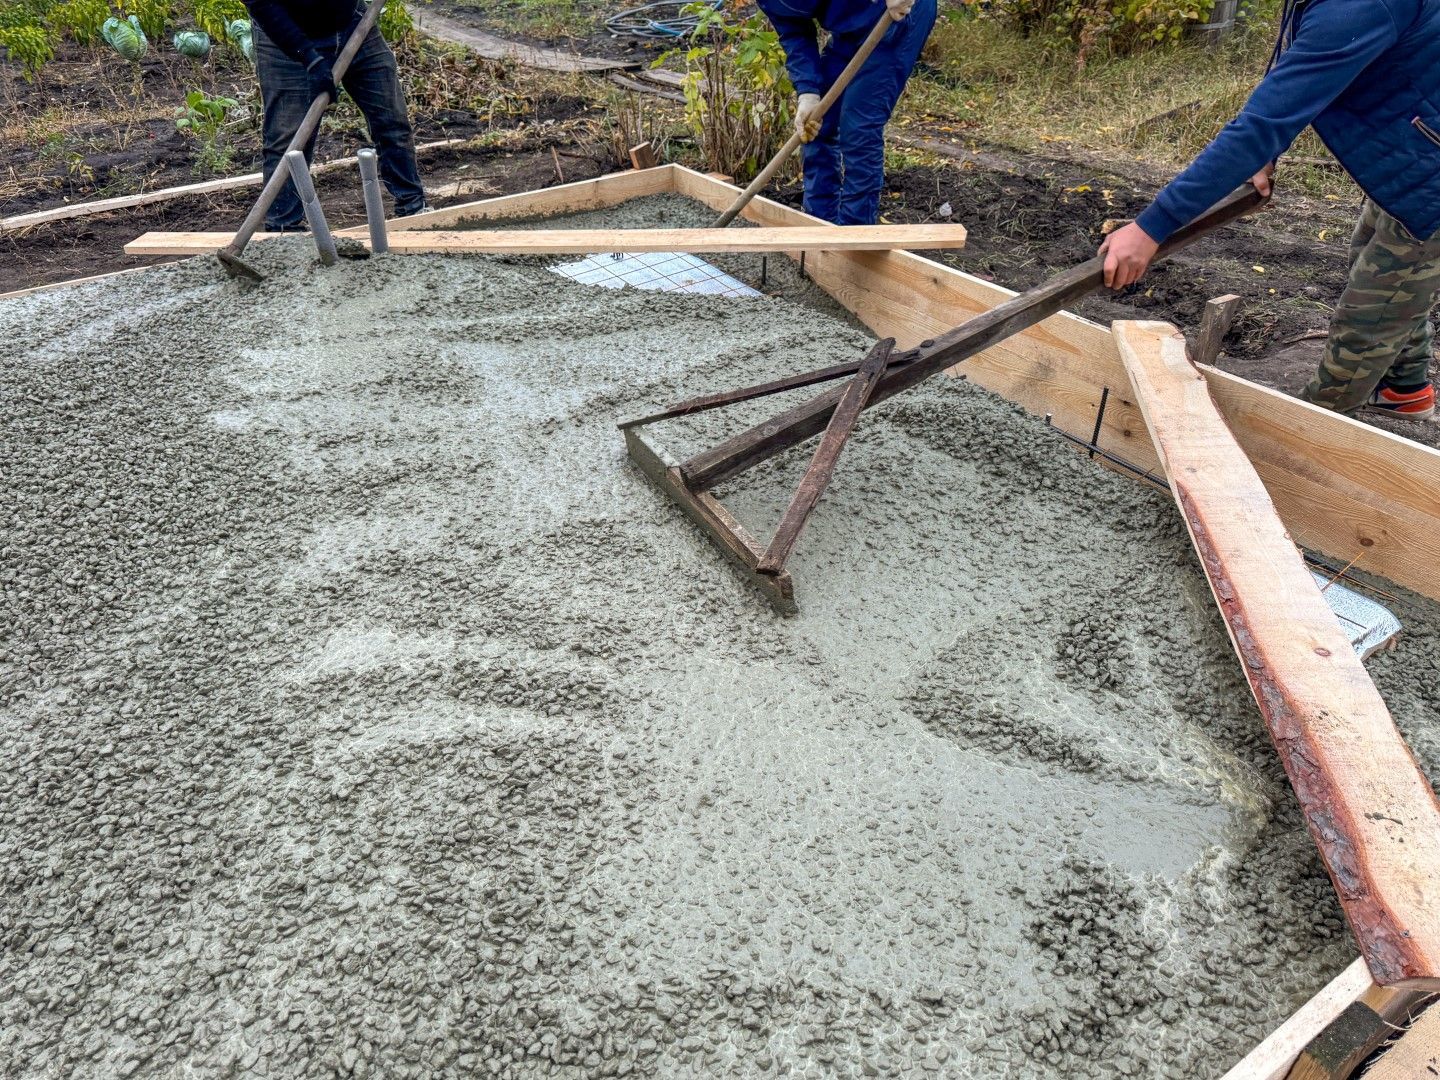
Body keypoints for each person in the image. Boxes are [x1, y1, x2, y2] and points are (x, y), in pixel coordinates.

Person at [1099, 0, 1440, 421]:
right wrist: (1266, 153)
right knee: (1382, 260)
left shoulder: (1361, 6)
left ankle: (1310, 436)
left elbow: (1260, 126)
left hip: (1431, 168)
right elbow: (1293, 61)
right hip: (1415, 147)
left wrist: (1151, 228)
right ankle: (1403, 389)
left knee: (1375, 303)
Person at [243, 0, 427, 232]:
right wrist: (309, 59)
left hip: (353, 24)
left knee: (392, 121)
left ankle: (413, 209)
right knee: (287, 141)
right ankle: (284, 232)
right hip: (284, 39)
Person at [757, 0, 938, 226]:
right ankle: (818, 226)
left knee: (859, 128)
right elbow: (794, 33)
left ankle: (854, 234)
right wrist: (808, 92)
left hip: (897, 17)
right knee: (814, 125)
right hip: (851, 30)